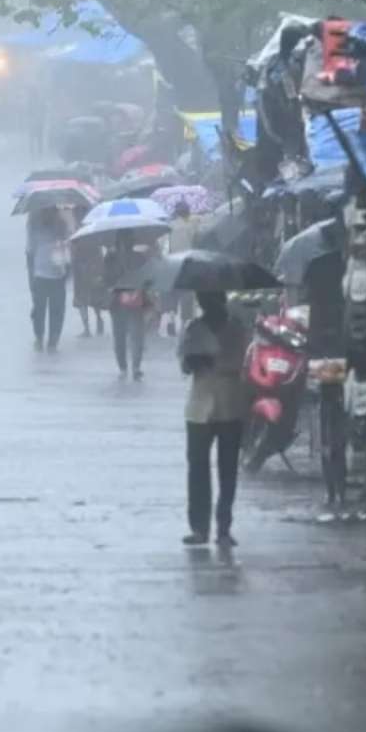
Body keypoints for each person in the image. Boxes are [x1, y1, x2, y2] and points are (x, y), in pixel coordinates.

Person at [177, 291, 250, 547]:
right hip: (199, 408)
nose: (208, 306)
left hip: (230, 405)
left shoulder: (237, 329)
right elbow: (184, 366)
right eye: (204, 301)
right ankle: (199, 527)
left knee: (228, 470)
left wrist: (213, 360)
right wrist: (193, 360)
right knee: (197, 469)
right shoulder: (193, 329)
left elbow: (240, 361)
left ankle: (223, 528)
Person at [105, 230, 153, 380]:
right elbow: (147, 279)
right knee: (135, 335)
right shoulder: (138, 258)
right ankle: (134, 367)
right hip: (133, 300)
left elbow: (107, 279)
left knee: (121, 335)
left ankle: (124, 367)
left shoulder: (111, 258)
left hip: (120, 301)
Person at [26, 208, 70, 352]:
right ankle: (48, 339)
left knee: (44, 309)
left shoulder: (35, 224)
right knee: (51, 310)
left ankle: (45, 339)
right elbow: (68, 249)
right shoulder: (59, 224)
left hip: (47, 274)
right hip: (50, 274)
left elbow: (30, 251)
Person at [162, 201, 199, 336]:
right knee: (186, 296)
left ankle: (171, 318)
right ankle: (183, 325)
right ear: (187, 212)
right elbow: (196, 245)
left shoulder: (168, 227)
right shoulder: (191, 226)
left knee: (172, 295)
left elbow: (163, 248)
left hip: (171, 266)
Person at [70, 211, 106, 338]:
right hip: (94, 268)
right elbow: (99, 251)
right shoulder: (94, 230)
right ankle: (99, 319)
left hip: (81, 269)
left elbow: (73, 251)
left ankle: (87, 328)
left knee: (82, 299)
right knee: (95, 296)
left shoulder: (77, 233)